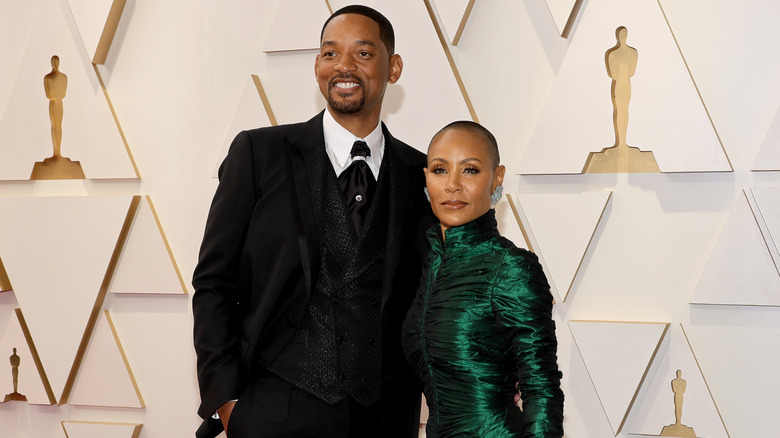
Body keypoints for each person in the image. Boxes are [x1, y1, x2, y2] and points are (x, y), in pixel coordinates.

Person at [192, 5, 434, 438]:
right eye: (329, 53)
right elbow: (214, 281)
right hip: (272, 411)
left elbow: (436, 299)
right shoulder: (258, 153)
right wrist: (227, 402)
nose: (343, 65)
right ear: (318, 66)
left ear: (393, 67)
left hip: (384, 419)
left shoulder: (421, 175)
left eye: (363, 53)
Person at [402, 121, 564, 437]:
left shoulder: (512, 267)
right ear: (426, 179)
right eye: (439, 170)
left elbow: (541, 385)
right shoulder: (428, 265)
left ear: (497, 178)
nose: (452, 185)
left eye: (470, 170)